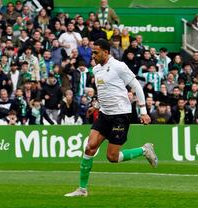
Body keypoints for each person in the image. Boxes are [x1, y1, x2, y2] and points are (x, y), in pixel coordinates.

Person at [65, 39, 157, 197]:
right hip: (104, 114)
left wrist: (143, 111)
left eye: (96, 52)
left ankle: (144, 150)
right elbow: (103, 91)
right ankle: (82, 189)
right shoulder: (96, 70)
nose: (93, 55)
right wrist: (97, 106)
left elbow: (136, 86)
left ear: (106, 52)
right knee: (89, 147)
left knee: (112, 157)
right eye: (92, 52)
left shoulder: (119, 66)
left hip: (120, 115)